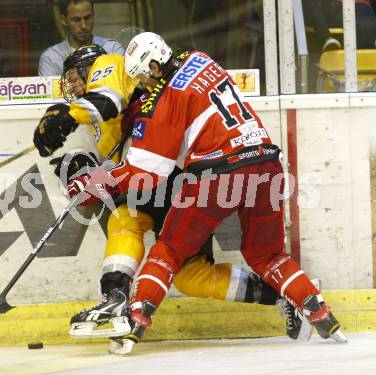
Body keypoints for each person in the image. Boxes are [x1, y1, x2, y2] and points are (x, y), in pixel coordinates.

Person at [66, 32, 346, 354]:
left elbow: (147, 172)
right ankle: (319, 312)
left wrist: (94, 184)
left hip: (218, 172)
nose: (142, 84)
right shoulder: (200, 59)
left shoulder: (164, 97)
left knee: (167, 251)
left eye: (143, 76)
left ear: (155, 66)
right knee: (266, 255)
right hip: (266, 163)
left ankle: (138, 318)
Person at [38, 0, 124, 76]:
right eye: (76, 20)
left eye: (87, 18)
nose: (83, 26)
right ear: (63, 20)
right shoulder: (51, 58)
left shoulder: (112, 49)